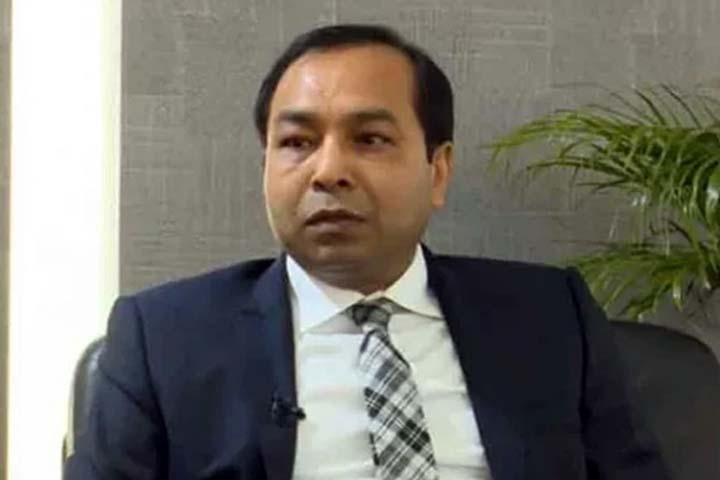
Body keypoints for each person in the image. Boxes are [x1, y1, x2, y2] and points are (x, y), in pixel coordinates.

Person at [65, 24, 668, 480]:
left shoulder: (549, 317)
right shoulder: (163, 339)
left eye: (370, 139)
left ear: (438, 170)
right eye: (297, 142)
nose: (328, 170)